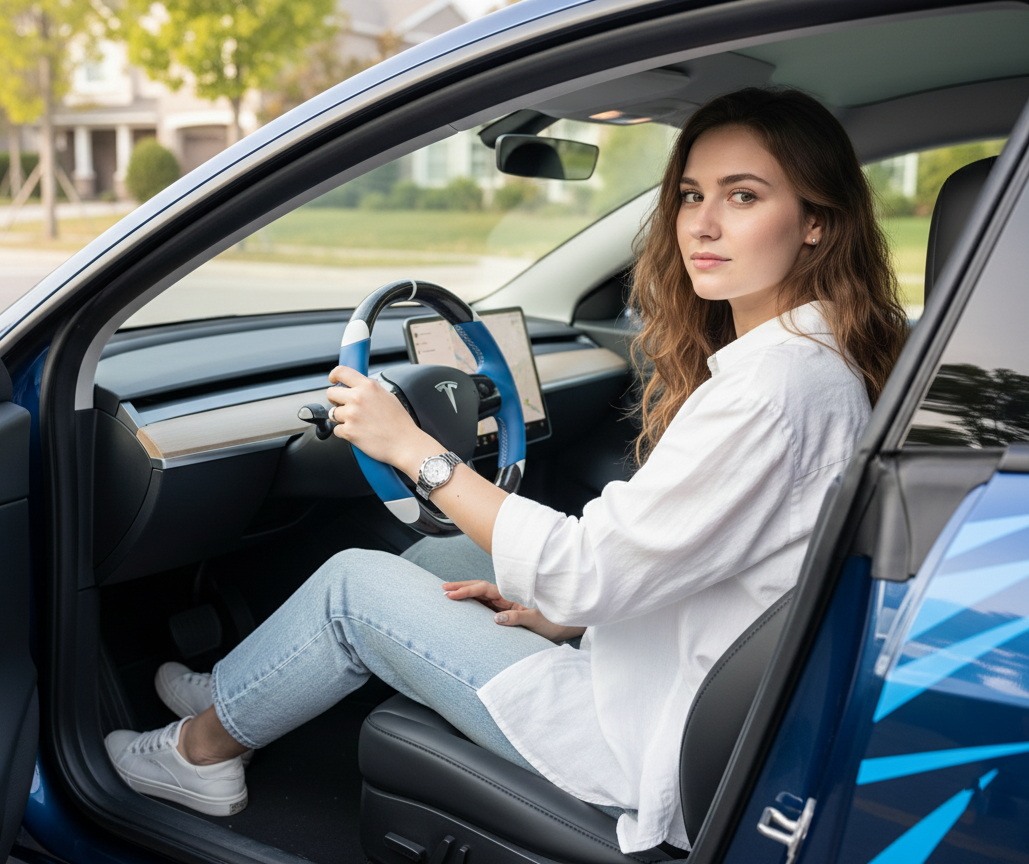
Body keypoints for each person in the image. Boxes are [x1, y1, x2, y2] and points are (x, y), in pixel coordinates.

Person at [105, 87, 907, 854]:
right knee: (437, 558)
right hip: (689, 675)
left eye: (743, 196)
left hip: (647, 736)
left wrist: (414, 449)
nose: (702, 224)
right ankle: (238, 693)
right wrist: (565, 616)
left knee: (355, 584)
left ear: (815, 224)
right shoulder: (820, 362)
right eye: (692, 195)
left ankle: (200, 755)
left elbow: (586, 568)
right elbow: (705, 563)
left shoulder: (767, 393)